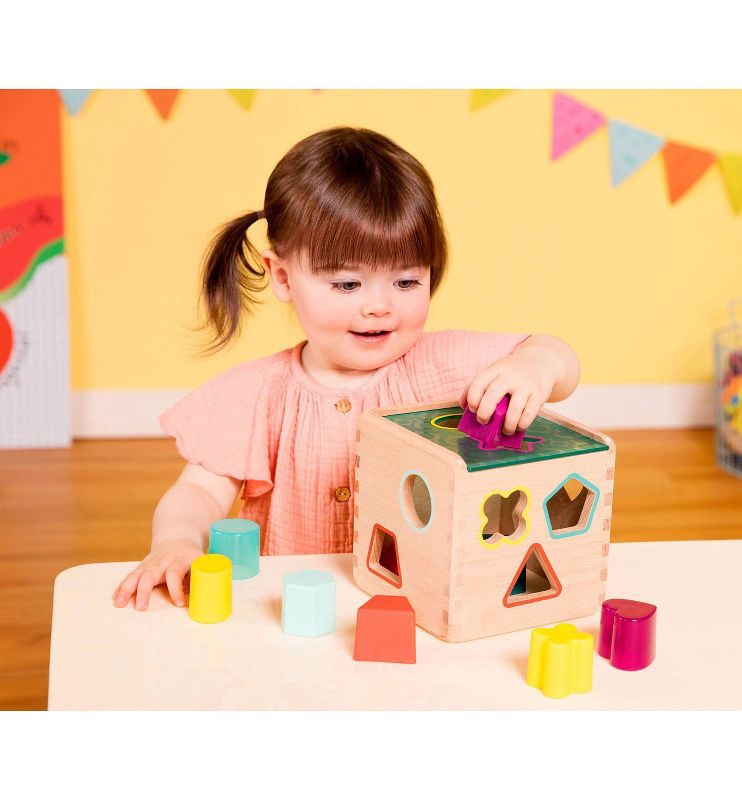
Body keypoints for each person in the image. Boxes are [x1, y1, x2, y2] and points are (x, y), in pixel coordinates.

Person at [113, 126, 580, 612]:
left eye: (406, 281)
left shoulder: (439, 364)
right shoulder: (256, 393)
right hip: (289, 604)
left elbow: (553, 354)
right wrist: (176, 541)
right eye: (347, 285)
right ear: (283, 277)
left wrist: (538, 364)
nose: (379, 306)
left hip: (413, 601)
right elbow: (197, 491)